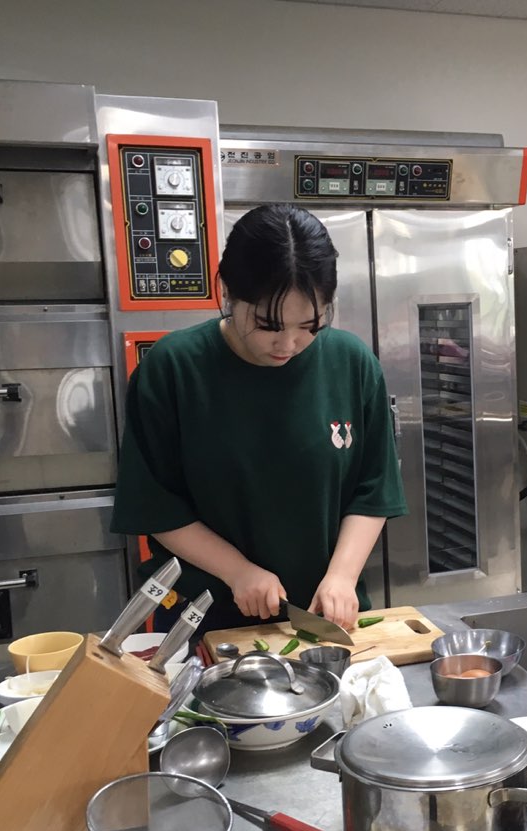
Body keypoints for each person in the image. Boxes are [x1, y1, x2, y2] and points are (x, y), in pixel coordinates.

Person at [111, 203, 407, 642]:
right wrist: (238, 571)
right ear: (227, 290)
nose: (288, 343)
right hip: (204, 619)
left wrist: (342, 576)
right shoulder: (174, 368)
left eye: (310, 325)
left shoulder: (351, 363)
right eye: (268, 325)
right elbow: (156, 505)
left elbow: (373, 488)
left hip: (324, 618)